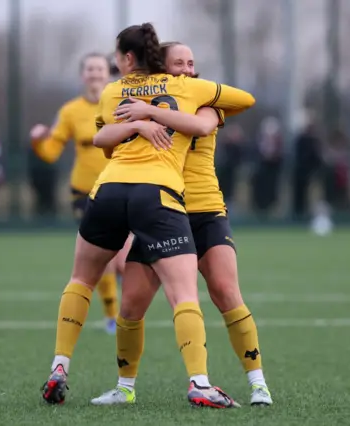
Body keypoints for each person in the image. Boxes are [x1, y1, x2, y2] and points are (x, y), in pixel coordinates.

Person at [41, 23, 255, 408]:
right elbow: (245, 99)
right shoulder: (188, 89)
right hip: (158, 194)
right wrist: (153, 117)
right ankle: (200, 382)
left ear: (126, 58)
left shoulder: (113, 90)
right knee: (184, 294)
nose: (188, 68)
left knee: (81, 279)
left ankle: (60, 366)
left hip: (107, 190)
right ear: (163, 60)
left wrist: (138, 120)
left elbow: (103, 142)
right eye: (182, 62)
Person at [90, 41, 272, 407]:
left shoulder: (204, 101)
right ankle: (125, 387)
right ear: (161, 68)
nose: (188, 69)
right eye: (179, 63)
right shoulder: (144, 102)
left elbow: (201, 128)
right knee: (131, 307)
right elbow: (105, 142)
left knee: (225, 293)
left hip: (204, 211)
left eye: (191, 62)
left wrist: (148, 114)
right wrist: (141, 116)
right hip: (161, 210)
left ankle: (258, 383)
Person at [30, 53, 121, 334]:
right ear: (83, 75)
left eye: (99, 69)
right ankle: (111, 316)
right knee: (101, 255)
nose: (95, 74)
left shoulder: (122, 105)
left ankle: (124, 314)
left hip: (122, 187)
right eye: (90, 69)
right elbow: (50, 153)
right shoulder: (70, 111)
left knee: (124, 258)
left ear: (109, 73)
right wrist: (36, 141)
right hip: (85, 192)